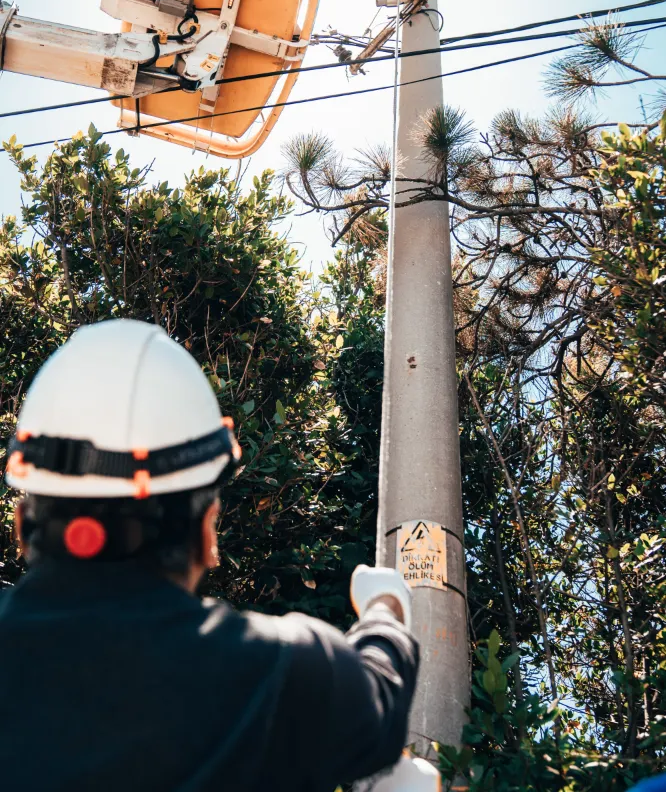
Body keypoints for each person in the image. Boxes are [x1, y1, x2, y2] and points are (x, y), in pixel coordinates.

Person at [0, 319, 419, 792]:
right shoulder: (280, 672)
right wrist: (386, 606)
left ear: (22, 522)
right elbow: (381, 692)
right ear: (205, 533)